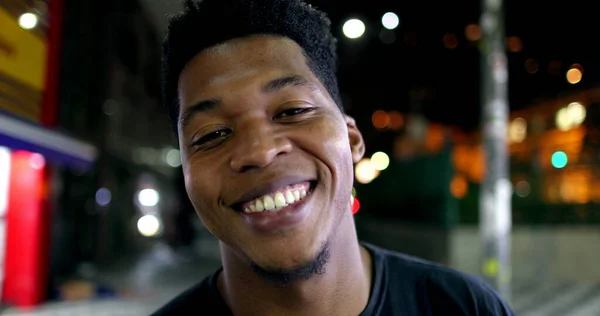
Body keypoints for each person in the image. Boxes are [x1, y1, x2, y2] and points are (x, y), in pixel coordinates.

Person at [153, 0, 515, 314]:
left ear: (353, 140)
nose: (260, 152)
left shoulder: (465, 307)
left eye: (292, 111)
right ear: (185, 174)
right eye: (213, 134)